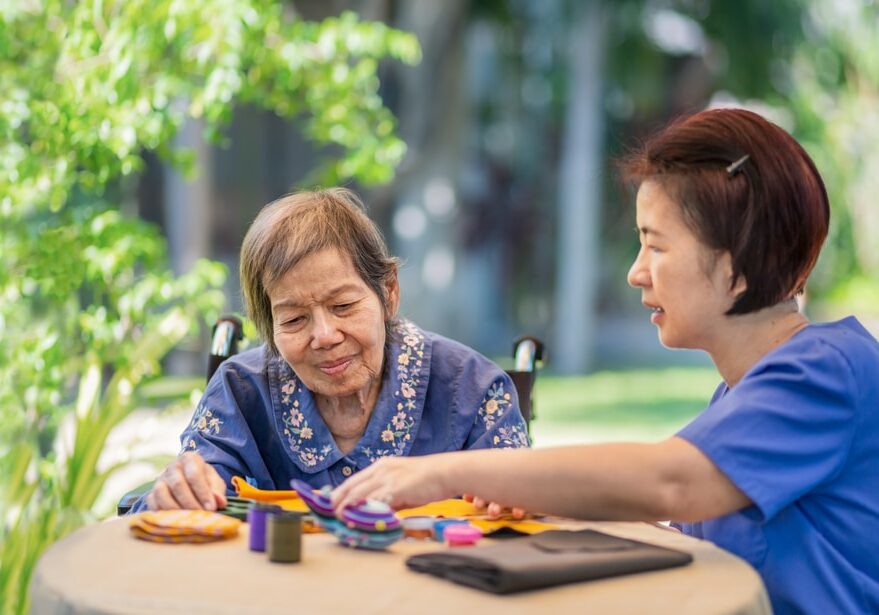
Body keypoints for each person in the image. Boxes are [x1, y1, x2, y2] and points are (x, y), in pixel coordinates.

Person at [333, 109, 879, 614]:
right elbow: (690, 533)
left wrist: (440, 472)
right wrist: (544, 498)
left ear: (738, 255)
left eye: (655, 246)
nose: (636, 273)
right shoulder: (745, 395)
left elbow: (672, 482)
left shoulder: (829, 372)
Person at [133, 188, 529, 513]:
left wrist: (510, 497)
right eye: (293, 320)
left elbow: (523, 506)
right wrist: (177, 490)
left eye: (343, 307)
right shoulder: (240, 392)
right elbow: (181, 503)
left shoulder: (473, 389)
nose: (324, 335)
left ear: (388, 292)